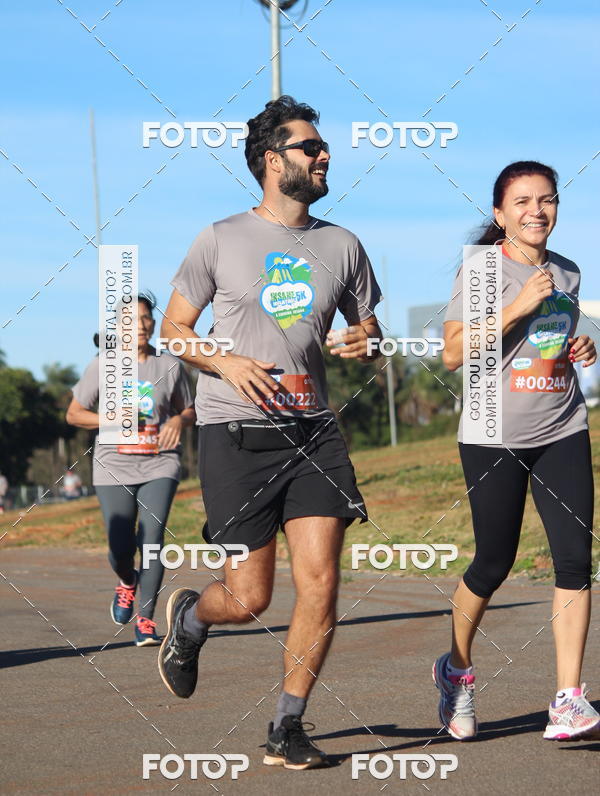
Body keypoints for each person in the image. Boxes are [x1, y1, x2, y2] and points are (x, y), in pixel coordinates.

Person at [158, 95, 383, 769]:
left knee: (320, 584)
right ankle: (195, 617)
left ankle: (288, 725)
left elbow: (370, 327)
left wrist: (364, 340)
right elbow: (174, 331)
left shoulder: (342, 244)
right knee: (251, 597)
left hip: (313, 431)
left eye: (323, 147)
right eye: (310, 148)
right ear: (270, 160)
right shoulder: (220, 238)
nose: (324, 156)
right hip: (234, 433)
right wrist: (220, 357)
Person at [435, 160, 598, 741]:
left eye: (547, 199)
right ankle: (456, 671)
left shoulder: (569, 272)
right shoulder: (482, 271)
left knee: (576, 560)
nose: (537, 210)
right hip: (492, 433)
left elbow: (548, 341)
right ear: (500, 215)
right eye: (523, 201)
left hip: (562, 426)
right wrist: (519, 305)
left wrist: (578, 344)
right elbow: (453, 353)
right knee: (493, 562)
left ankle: (568, 701)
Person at [66, 292, 196, 646]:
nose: (142, 325)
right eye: (133, 320)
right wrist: (108, 419)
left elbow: (190, 409)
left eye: (147, 319)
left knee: (152, 540)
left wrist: (180, 423)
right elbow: (74, 413)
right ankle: (127, 581)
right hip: (113, 466)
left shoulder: (170, 365)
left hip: (160, 461)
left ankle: (147, 619)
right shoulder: (103, 365)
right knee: (120, 546)